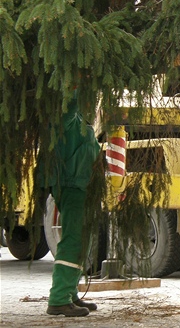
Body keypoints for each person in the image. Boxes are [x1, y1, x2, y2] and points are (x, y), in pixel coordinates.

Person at [44, 94, 101, 317]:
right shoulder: (65, 116)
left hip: (81, 186)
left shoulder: (78, 121)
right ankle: (58, 298)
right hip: (72, 186)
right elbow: (70, 100)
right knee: (73, 241)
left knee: (82, 241)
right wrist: (80, 81)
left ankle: (69, 292)